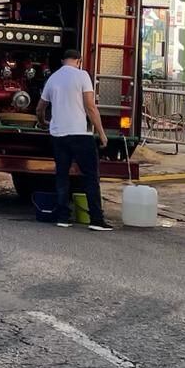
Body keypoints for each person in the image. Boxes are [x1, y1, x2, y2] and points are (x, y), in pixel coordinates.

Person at [36, 48, 112, 231]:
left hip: (58, 135)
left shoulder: (53, 78)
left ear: (63, 60)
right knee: (90, 177)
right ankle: (96, 220)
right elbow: (90, 107)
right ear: (79, 60)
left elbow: (40, 108)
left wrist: (44, 122)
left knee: (62, 176)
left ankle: (63, 217)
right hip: (79, 134)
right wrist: (101, 133)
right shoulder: (82, 76)